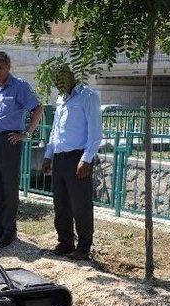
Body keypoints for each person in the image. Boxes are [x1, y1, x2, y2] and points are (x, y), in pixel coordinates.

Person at [0, 51, 44, 249]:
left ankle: (9, 231)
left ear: (8, 66)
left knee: (9, 187)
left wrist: (26, 133)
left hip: (9, 141)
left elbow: (38, 108)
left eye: (0, 68)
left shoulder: (20, 86)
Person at [41, 63, 102, 260]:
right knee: (61, 203)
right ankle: (65, 242)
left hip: (78, 158)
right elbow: (55, 131)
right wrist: (48, 155)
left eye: (62, 77)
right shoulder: (60, 100)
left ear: (72, 75)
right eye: (55, 79)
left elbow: (95, 133)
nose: (58, 82)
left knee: (81, 205)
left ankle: (84, 247)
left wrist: (86, 159)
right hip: (60, 159)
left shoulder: (88, 96)